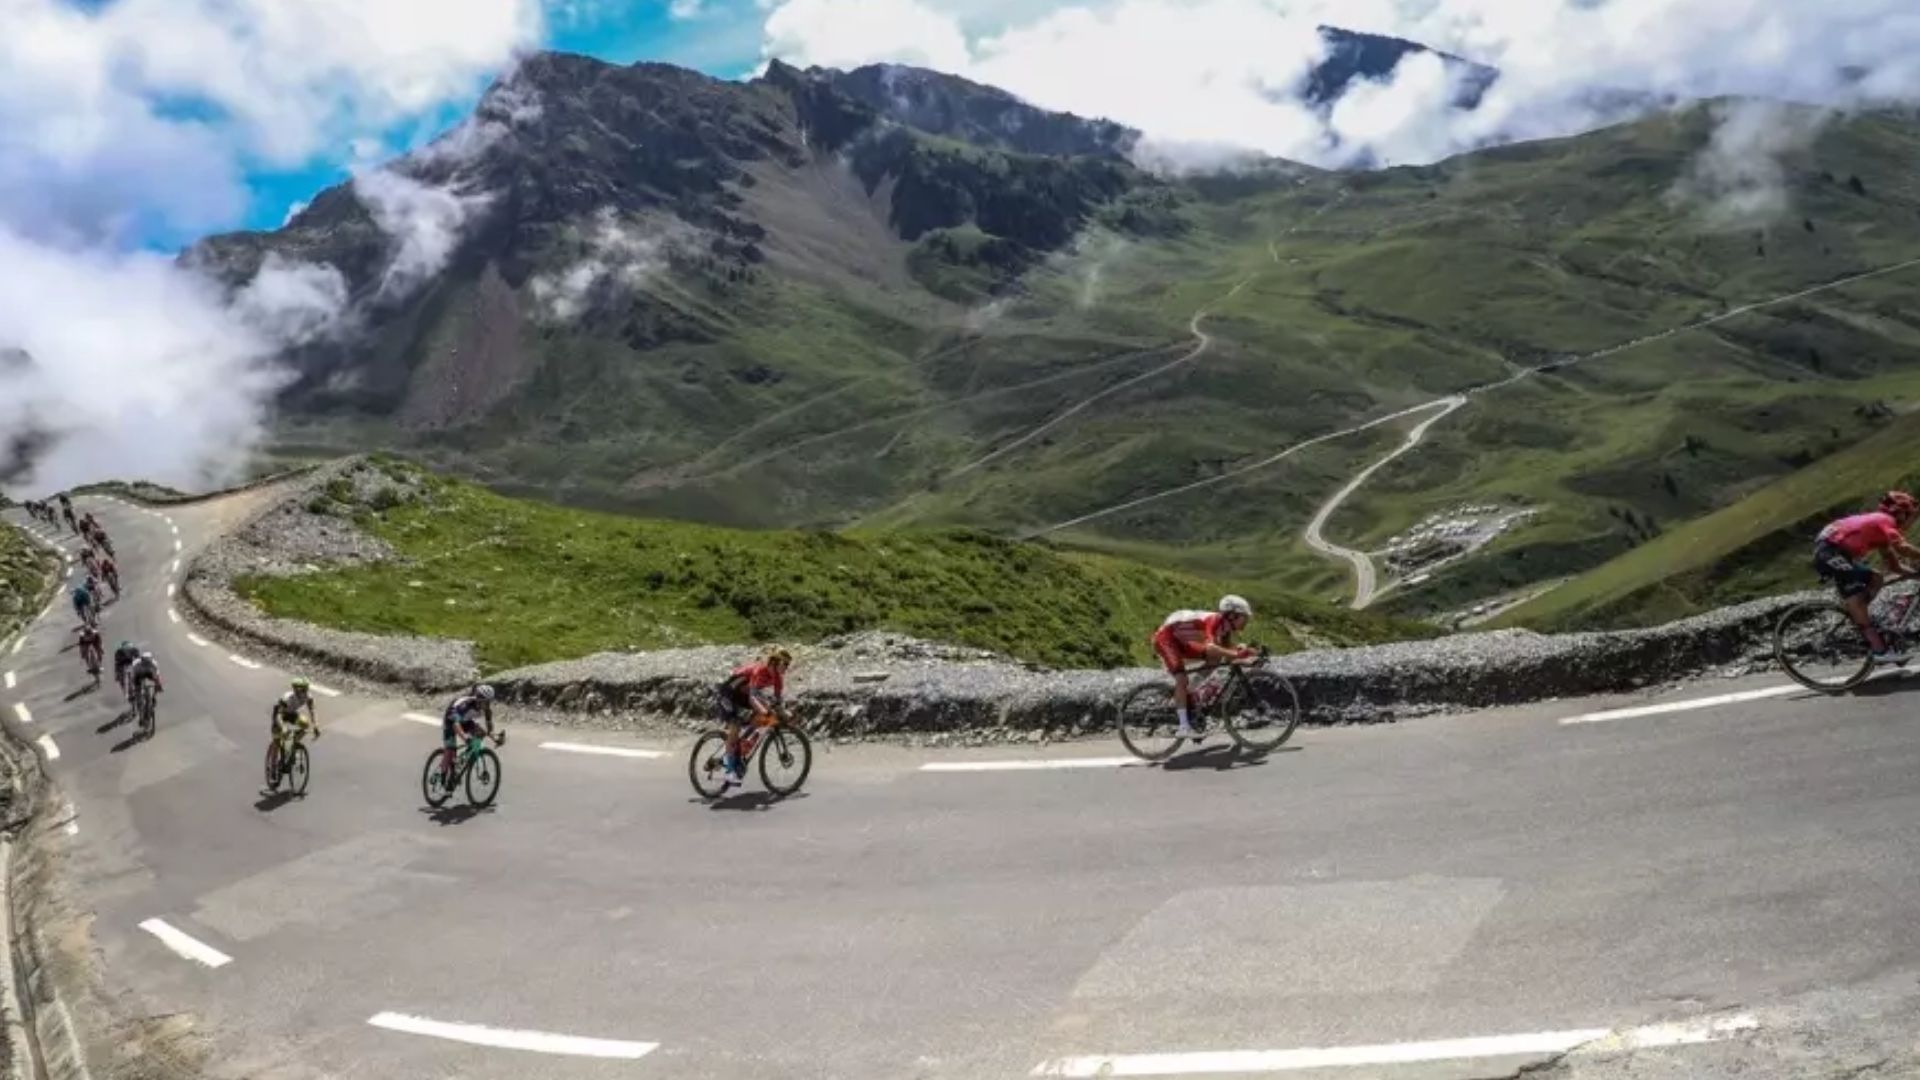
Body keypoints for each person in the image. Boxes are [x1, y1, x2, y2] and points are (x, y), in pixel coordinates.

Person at [1814, 491, 1920, 663]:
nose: (1912, 522)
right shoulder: (1886, 521)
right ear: (1901, 513)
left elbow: (1894, 566)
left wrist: (1915, 574)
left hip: (1834, 549)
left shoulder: (1880, 529)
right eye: (1912, 517)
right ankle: (1879, 650)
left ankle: (1861, 619)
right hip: (1830, 550)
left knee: (1876, 578)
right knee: (1856, 598)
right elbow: (1902, 548)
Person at [1151, 596, 1257, 740]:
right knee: (1181, 678)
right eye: (1244, 617)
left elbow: (1227, 655)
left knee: (1215, 658)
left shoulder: (1225, 629)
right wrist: (1236, 653)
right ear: (1232, 615)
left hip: (1181, 642)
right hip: (1166, 638)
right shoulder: (1214, 620)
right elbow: (1211, 646)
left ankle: (1187, 694)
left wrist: (1247, 656)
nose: (1246, 621)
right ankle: (1183, 727)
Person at [714, 647, 792, 788]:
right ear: (775, 662)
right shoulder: (760, 670)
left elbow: (778, 702)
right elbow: (752, 697)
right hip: (728, 693)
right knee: (736, 725)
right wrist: (765, 711)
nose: (787, 668)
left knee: (764, 713)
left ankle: (744, 742)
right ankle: (730, 772)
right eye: (785, 664)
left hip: (744, 694)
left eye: (789, 665)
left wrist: (784, 713)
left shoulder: (778, 678)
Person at [439, 684, 498, 780]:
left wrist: (495, 739)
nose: (487, 705)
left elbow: (489, 729)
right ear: (478, 699)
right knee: (450, 749)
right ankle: (443, 774)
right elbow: (455, 724)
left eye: (489, 702)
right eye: (485, 702)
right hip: (451, 721)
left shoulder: (487, 709)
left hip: (465, 721)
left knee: (481, 733)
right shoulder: (465, 705)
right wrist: (465, 738)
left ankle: (464, 758)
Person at [270, 677, 323, 758]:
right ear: (296, 690)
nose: (305, 692)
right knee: (277, 739)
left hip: (291, 713)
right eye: (303, 690)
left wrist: (316, 726)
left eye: (306, 689)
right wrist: (283, 727)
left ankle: (292, 744)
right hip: (279, 715)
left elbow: (312, 711)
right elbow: (278, 715)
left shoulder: (308, 697)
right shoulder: (287, 698)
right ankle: (273, 765)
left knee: (305, 724)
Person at [127, 650, 164, 715]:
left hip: (139, 673)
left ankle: (137, 699)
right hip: (150, 673)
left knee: (136, 686)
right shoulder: (154, 662)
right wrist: (159, 685)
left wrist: (131, 690)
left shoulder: (136, 662)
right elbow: (157, 675)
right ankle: (154, 697)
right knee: (157, 683)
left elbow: (132, 673)